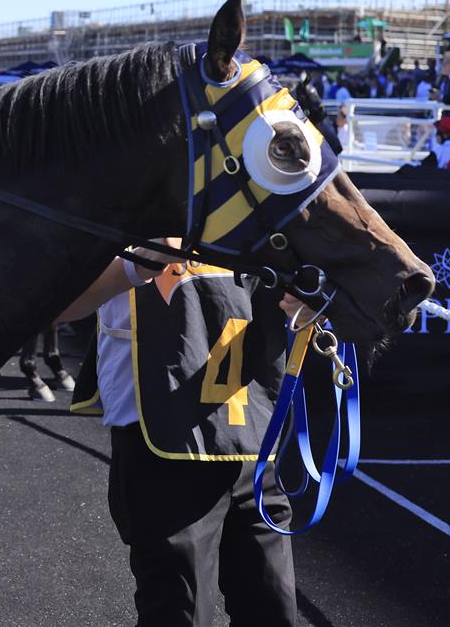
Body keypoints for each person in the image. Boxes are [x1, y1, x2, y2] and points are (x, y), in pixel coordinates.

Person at [61, 242, 300, 626]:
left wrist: (307, 303)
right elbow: (59, 303)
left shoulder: (262, 210)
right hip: (164, 444)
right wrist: (142, 261)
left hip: (249, 438)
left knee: (274, 610)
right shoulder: (124, 200)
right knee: (180, 615)